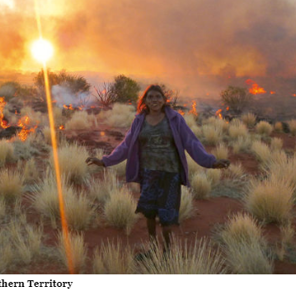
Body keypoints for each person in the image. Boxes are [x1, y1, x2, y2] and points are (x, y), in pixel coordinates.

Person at [86, 85, 229, 256]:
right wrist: (105, 161)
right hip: (148, 174)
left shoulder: (175, 119)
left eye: (158, 97)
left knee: (167, 217)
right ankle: (153, 250)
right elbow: (126, 145)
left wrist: (211, 162)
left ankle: (167, 254)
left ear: (164, 99)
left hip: (170, 174)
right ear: (145, 101)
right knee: (149, 214)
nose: (154, 100)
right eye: (151, 97)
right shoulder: (139, 120)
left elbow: (191, 142)